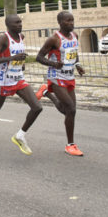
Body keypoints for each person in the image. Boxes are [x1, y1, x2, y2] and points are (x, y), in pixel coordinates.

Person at [0, 15, 42, 157]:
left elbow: (17, 57)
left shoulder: (21, 37)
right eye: (16, 23)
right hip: (4, 82)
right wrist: (12, 58)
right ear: (8, 25)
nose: (19, 25)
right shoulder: (3, 39)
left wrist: (20, 63)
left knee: (37, 107)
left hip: (18, 80)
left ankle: (20, 135)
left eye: (20, 22)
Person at [36, 11, 85, 157]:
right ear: (60, 22)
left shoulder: (75, 35)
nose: (71, 23)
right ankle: (70, 145)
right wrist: (53, 63)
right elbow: (38, 57)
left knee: (68, 110)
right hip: (56, 77)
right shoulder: (54, 39)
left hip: (69, 76)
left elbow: (74, 53)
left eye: (72, 20)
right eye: (67, 21)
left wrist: (78, 65)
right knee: (71, 109)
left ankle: (46, 93)